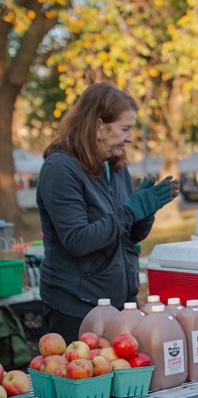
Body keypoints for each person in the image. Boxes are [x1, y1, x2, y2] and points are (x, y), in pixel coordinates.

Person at [36, 82, 179, 343]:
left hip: (121, 303)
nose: (131, 138)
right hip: (76, 306)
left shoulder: (116, 166)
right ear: (99, 126)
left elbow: (127, 235)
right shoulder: (60, 169)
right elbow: (78, 240)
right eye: (125, 129)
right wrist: (130, 211)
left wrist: (145, 212)